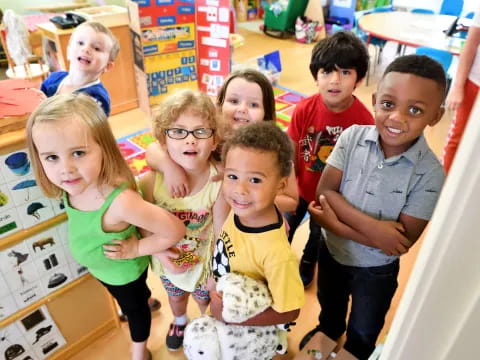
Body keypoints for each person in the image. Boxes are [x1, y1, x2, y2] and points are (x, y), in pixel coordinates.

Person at [302, 55, 447, 360]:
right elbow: (325, 191)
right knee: (330, 306)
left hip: (376, 271)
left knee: (365, 327)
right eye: (388, 104)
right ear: (374, 100)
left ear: (436, 115)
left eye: (415, 110)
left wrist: (335, 223)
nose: (396, 118)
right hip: (332, 252)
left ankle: (355, 349)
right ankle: (328, 330)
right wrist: (374, 230)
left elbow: (399, 242)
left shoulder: (431, 172)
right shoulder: (352, 137)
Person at [26, 93, 186, 360]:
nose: (66, 169)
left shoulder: (120, 202)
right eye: (51, 157)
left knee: (135, 312)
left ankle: (139, 351)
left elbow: (174, 230)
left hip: (124, 273)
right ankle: (144, 299)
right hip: (103, 270)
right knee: (130, 299)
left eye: (78, 153)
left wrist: (137, 248)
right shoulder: (74, 186)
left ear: (105, 148)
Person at [114, 89, 230, 351]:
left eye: (201, 131)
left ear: (214, 141)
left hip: (203, 263)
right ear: (163, 141)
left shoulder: (217, 183)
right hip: (167, 260)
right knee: (176, 298)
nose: (190, 140)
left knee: (205, 301)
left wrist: (215, 273)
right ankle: (179, 321)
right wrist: (163, 253)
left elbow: (222, 233)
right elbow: (143, 226)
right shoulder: (150, 182)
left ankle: (204, 326)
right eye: (178, 132)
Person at [286, 31, 374, 288]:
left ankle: (306, 264)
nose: (335, 81)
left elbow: (360, 168)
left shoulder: (364, 121)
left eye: (345, 72)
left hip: (331, 199)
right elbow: (291, 151)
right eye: (326, 72)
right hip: (299, 189)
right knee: (284, 229)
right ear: (316, 76)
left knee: (317, 237)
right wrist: (287, 185)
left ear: (359, 78)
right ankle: (278, 261)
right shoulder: (304, 109)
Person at [145, 68, 299, 213]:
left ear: (266, 112)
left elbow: (291, 200)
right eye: (233, 101)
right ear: (219, 106)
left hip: (253, 222)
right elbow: (154, 149)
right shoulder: (209, 136)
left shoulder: (275, 149)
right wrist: (170, 168)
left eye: (253, 104)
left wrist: (245, 195)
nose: (242, 109)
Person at [210, 122, 305, 327]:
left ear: (280, 185)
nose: (240, 190)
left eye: (254, 180)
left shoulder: (277, 255)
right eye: (233, 176)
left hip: (249, 332)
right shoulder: (239, 210)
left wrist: (228, 315)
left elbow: (290, 311)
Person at [40, 21, 119, 116]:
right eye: (81, 43)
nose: (86, 49)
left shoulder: (96, 98)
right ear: (68, 52)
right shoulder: (53, 78)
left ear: (107, 66)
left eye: (97, 48)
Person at [442, 4, 480, 173]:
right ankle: (442, 184)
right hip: (474, 83)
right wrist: (457, 87)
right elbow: (470, 46)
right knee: (457, 138)